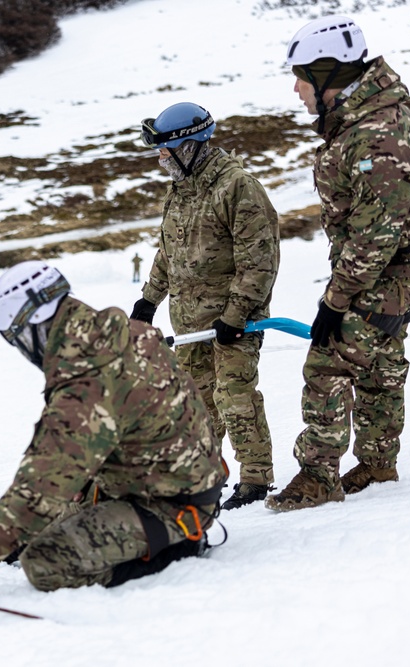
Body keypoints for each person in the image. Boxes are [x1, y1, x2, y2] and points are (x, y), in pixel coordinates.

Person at [0, 261, 225, 604]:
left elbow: (39, 485)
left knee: (42, 561)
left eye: (19, 339)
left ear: (35, 327)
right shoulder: (119, 333)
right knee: (57, 509)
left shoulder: (85, 383)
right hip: (167, 477)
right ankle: (2, 544)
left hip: (172, 506)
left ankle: (181, 548)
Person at [266, 16, 410, 511]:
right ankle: (379, 462)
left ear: (329, 75)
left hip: (394, 264)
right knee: (381, 362)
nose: (296, 87)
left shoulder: (376, 135)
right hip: (391, 261)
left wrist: (335, 300)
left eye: (303, 75)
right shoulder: (360, 120)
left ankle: (318, 476)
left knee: (329, 360)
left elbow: (377, 232)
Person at [130, 102, 281, 510]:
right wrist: (148, 300)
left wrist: (235, 317)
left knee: (233, 395)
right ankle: (198, 481)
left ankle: (254, 479)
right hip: (189, 323)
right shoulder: (181, 190)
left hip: (234, 322)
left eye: (165, 150)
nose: (161, 159)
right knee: (195, 405)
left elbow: (260, 260)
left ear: (189, 145)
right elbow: (169, 252)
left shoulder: (237, 187)